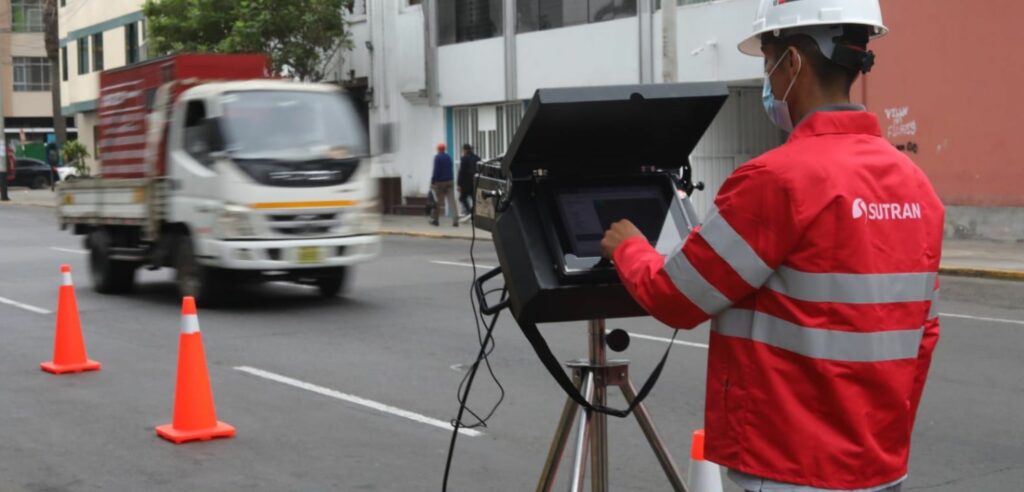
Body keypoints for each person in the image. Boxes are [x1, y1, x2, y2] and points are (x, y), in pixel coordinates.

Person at [600, 1, 943, 491]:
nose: (767, 80)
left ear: (792, 63)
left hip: (790, 467)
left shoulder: (776, 181)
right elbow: (923, 336)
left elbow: (676, 297)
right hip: (879, 465)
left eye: (767, 63)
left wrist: (629, 247)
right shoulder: (915, 185)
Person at [430, 142, 458, 227]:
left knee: (438, 202)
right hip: (450, 181)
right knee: (452, 201)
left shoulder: (437, 158)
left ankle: (436, 220)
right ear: (444, 149)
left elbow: (436, 170)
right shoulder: (448, 157)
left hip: (440, 182)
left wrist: (433, 181)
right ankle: (455, 220)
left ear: (438, 149)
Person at [457, 144, 480, 220]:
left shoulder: (464, 158)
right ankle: (473, 213)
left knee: (462, 198)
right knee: (474, 199)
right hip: (475, 182)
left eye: (463, 150)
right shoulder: (477, 158)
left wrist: (459, 184)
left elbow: (461, 172)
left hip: (466, 183)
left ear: (465, 150)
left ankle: (470, 212)